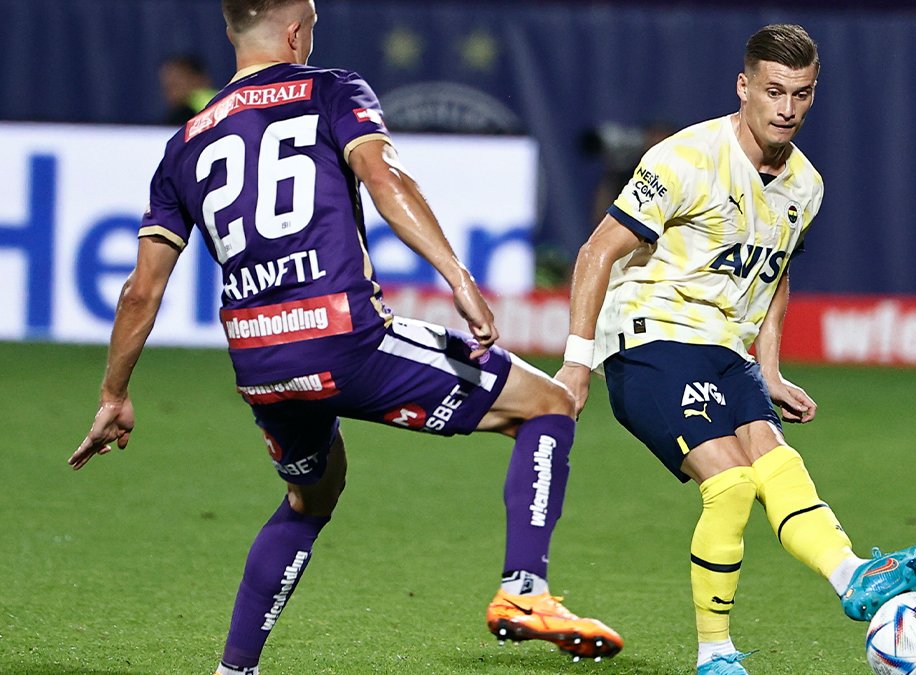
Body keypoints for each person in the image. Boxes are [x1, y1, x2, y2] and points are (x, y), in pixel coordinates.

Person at [69, 1, 622, 673]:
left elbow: (140, 291)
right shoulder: (329, 88)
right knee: (548, 404)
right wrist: (457, 275)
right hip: (346, 339)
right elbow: (386, 180)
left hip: (259, 361)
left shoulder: (184, 144)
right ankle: (524, 591)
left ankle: (233, 669)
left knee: (312, 493)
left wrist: (114, 392)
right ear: (297, 31)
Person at [553, 24, 916, 675]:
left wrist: (769, 368)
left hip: (724, 348)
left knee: (775, 458)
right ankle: (715, 654)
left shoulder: (806, 186)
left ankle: (854, 577)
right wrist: (575, 360)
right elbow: (598, 250)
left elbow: (776, 271)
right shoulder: (684, 160)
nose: (787, 107)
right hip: (650, 338)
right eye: (773, 91)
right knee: (733, 482)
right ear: (744, 87)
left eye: (801, 93)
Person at [160, 54, 219, 126]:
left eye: (175, 84)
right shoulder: (227, 99)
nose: (170, 92)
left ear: (197, 79)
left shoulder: (185, 113)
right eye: (166, 87)